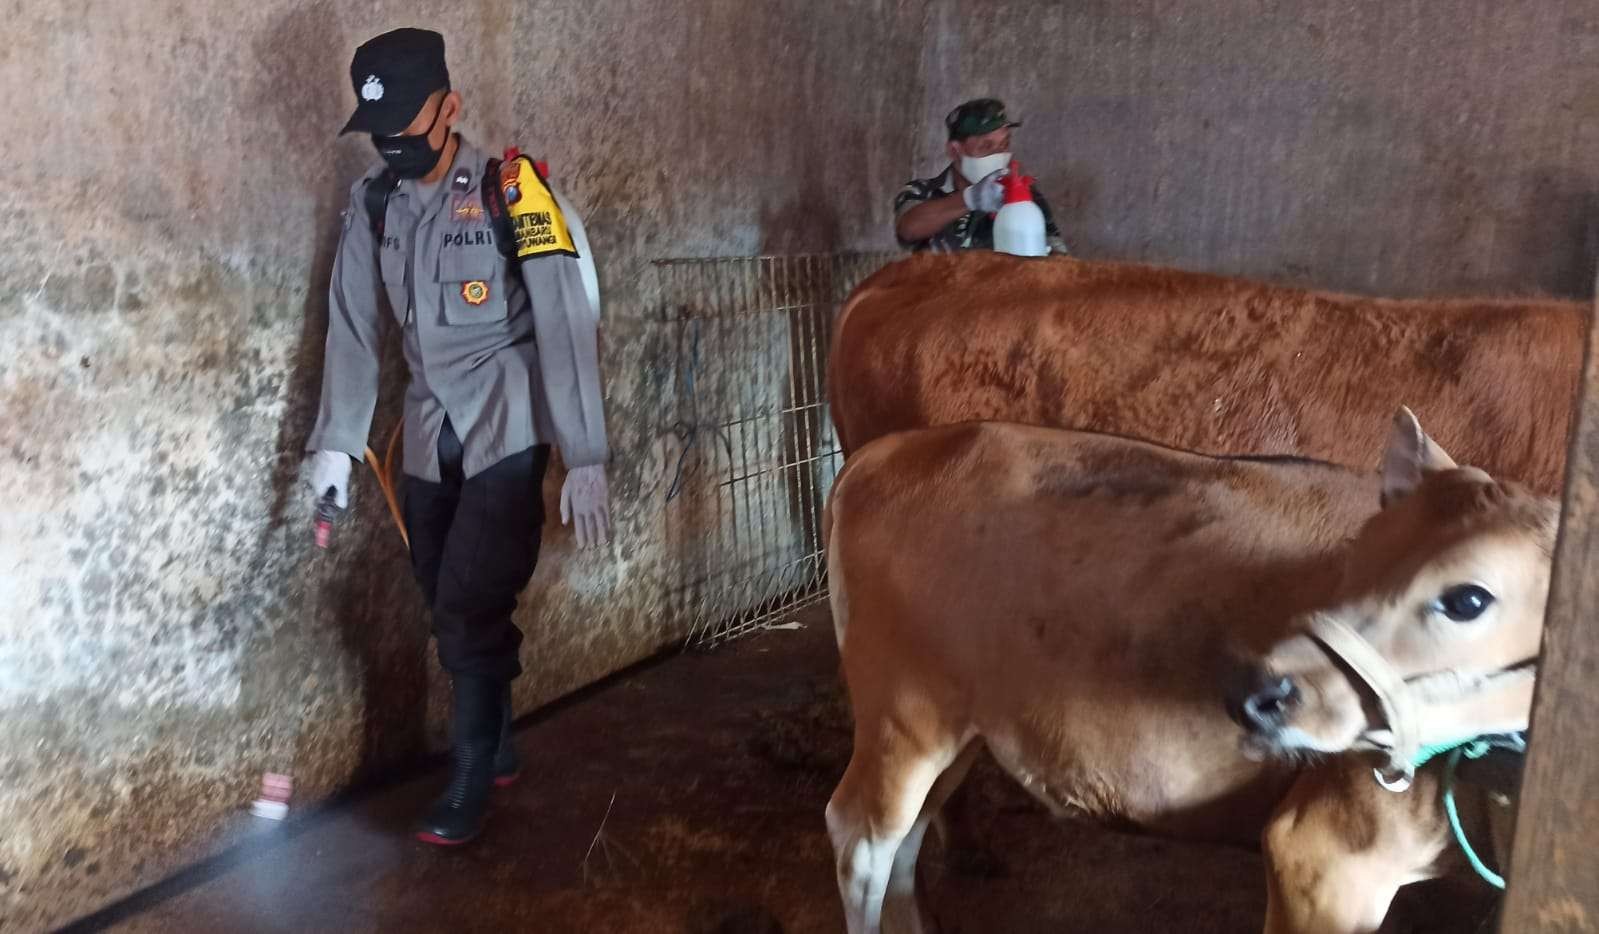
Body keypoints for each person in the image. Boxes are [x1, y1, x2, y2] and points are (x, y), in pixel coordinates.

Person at [304, 27, 611, 846]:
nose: (395, 146)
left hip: (506, 424)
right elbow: (351, 328)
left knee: (467, 603)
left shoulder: (515, 192)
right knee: (445, 590)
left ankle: (471, 777)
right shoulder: (374, 206)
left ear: (451, 108)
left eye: (409, 127)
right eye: (382, 134)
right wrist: (336, 444)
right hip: (430, 430)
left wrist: (584, 454)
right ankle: (500, 741)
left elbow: (564, 320)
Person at [893, 97, 1070, 254]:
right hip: (940, 290)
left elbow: (1057, 261)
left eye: (1004, 144)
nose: (999, 154)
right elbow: (908, 229)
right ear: (955, 151)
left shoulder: (1026, 198)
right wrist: (970, 199)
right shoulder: (922, 191)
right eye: (986, 146)